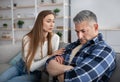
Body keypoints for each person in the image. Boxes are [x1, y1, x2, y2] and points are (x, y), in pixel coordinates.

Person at [45, 10, 116, 82]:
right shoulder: (73, 45)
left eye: (83, 31)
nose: (79, 36)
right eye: (77, 31)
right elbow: (48, 65)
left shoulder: (105, 50)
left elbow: (76, 79)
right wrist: (69, 68)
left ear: (95, 27)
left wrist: (57, 71)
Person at [0, 10, 65, 82]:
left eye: (53, 21)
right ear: (40, 22)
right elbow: (31, 66)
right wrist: (49, 56)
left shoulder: (55, 38)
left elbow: (52, 60)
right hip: (20, 66)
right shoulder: (27, 38)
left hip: (36, 73)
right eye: (48, 21)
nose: (52, 25)